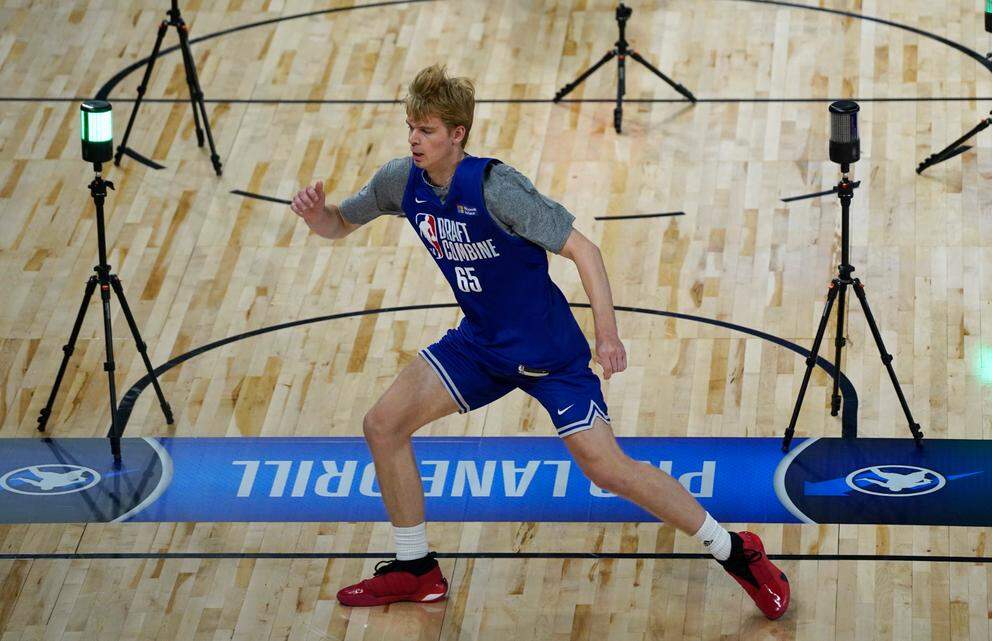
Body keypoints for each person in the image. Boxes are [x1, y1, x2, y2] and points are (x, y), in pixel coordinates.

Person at [289, 64, 789, 620]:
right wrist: (316, 216)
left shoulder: (498, 188)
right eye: (411, 127)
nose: (414, 139)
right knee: (383, 425)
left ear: (457, 134)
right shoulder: (398, 180)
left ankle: (734, 549)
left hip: (551, 359)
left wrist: (607, 336)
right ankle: (416, 568)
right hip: (480, 347)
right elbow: (338, 224)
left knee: (608, 469)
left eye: (426, 130)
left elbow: (585, 251)